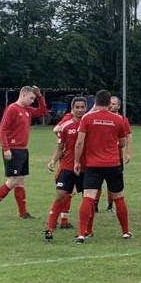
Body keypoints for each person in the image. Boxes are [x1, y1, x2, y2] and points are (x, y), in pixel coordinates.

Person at [73, 90, 131, 244]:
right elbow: (123, 143)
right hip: (113, 164)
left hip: (93, 165)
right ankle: (125, 232)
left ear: (95, 102)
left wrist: (77, 161)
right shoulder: (117, 119)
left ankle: (81, 233)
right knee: (118, 197)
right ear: (108, 103)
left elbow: (79, 143)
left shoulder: (87, 118)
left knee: (88, 197)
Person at [0, 85, 48, 220]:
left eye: (33, 99)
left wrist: (40, 96)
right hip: (13, 149)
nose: (32, 101)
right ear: (23, 95)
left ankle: (23, 213)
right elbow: (2, 130)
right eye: (31, 98)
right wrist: (6, 148)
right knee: (13, 181)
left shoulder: (27, 110)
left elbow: (43, 111)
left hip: (23, 149)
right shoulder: (12, 108)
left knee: (21, 181)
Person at [44, 96, 88, 239]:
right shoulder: (65, 126)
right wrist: (53, 160)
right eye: (77, 107)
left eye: (82, 107)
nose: (80, 110)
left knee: (88, 199)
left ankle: (87, 230)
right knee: (61, 195)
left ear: (86, 108)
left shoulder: (90, 124)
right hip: (68, 166)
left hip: (87, 168)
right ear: (72, 109)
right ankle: (50, 228)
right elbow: (60, 147)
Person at [94, 95, 133, 213]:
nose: (111, 105)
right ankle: (94, 204)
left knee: (113, 184)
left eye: (114, 104)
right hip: (99, 156)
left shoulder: (122, 119)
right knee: (97, 182)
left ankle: (110, 205)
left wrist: (127, 153)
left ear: (119, 106)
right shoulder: (99, 118)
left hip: (116, 157)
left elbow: (128, 135)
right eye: (110, 103)